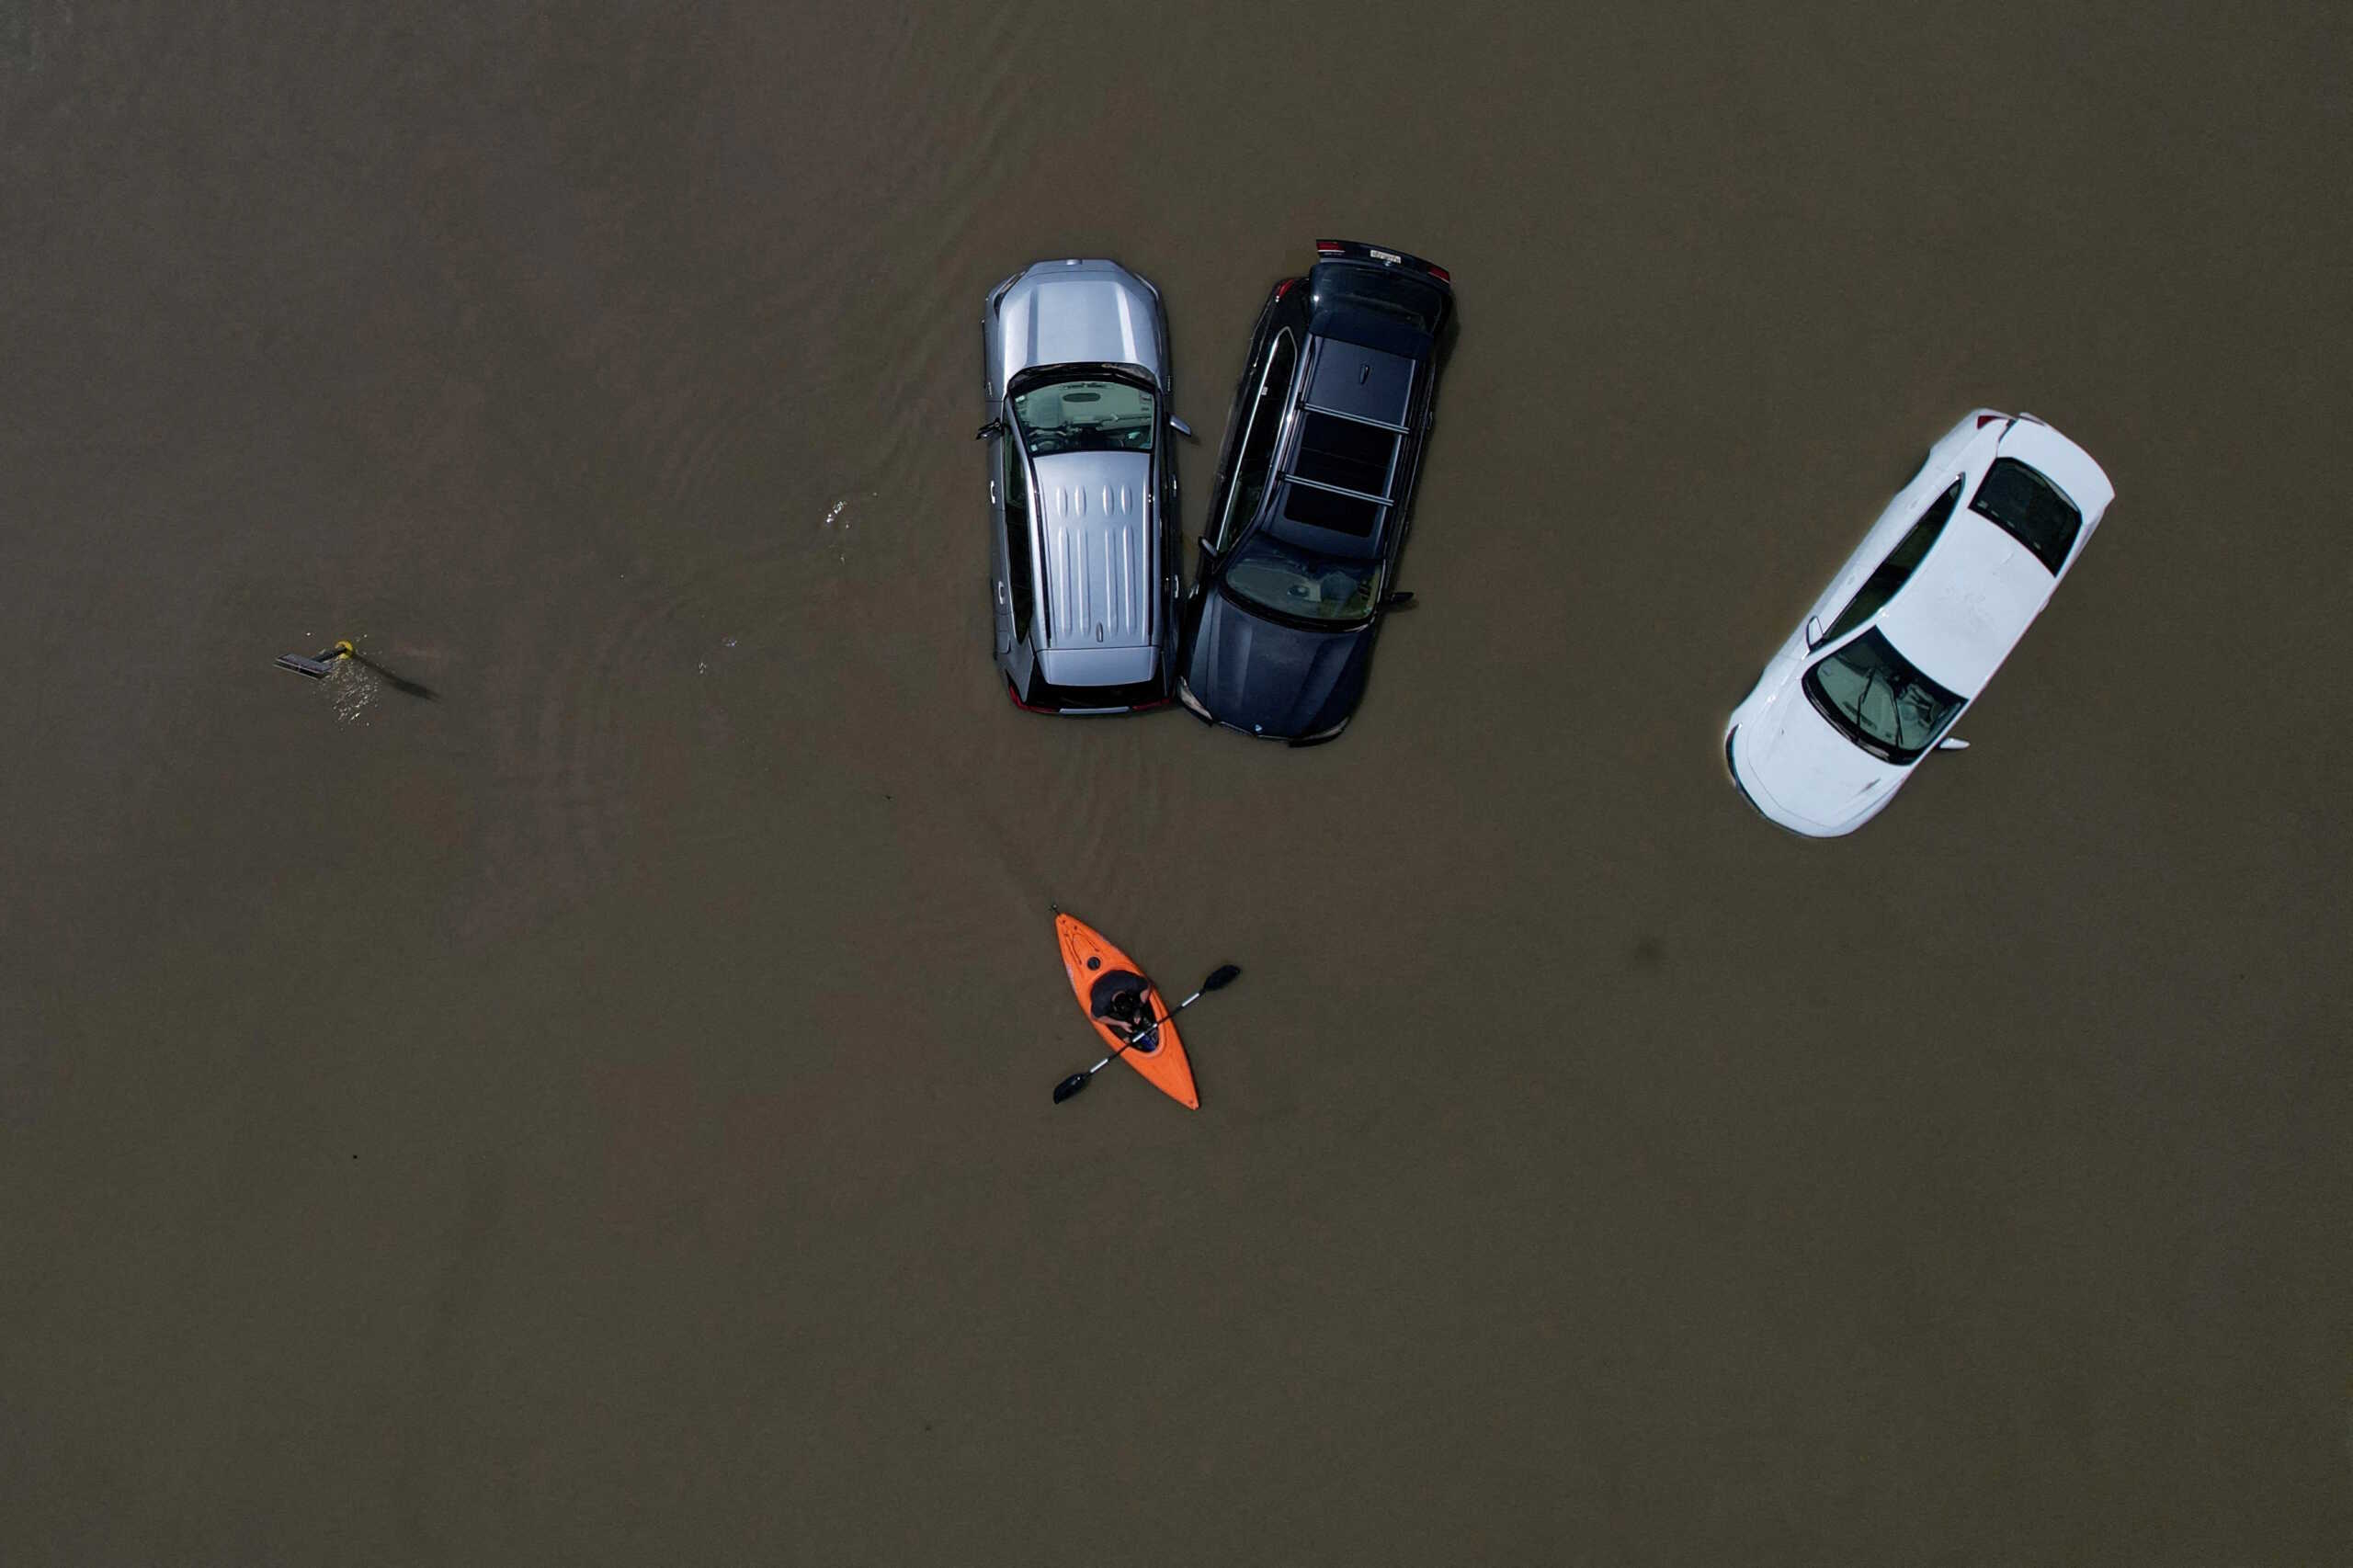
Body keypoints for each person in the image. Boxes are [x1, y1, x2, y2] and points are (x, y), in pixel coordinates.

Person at [1099, 985, 1160, 1052]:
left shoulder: (1139, 1002)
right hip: (1139, 1037)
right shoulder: (1115, 1019)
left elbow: (1148, 987)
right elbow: (1125, 1040)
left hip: (1151, 1027)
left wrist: (1139, 1010)